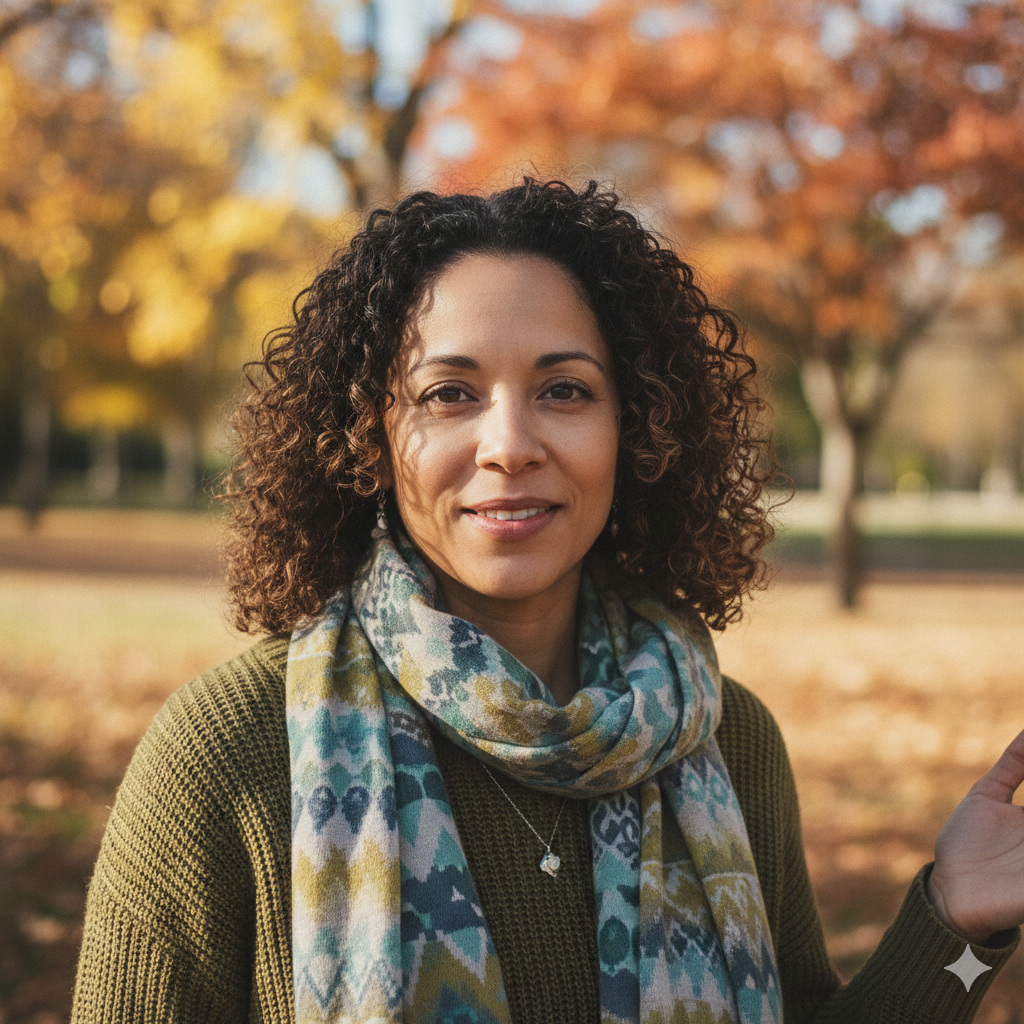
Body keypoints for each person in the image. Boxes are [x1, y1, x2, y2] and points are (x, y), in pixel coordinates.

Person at [71, 179, 1023, 1024]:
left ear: (637, 426)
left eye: (564, 389)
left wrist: (956, 925)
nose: (510, 444)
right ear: (369, 435)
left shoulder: (727, 744)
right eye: (449, 393)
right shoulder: (230, 751)